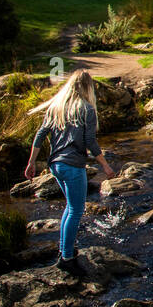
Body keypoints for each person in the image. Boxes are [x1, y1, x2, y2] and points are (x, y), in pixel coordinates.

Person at [23, 69, 114, 276]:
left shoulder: (56, 107)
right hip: (73, 166)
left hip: (55, 165)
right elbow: (90, 142)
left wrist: (31, 163)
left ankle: (66, 251)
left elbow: (40, 135)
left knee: (70, 208)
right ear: (87, 87)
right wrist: (105, 165)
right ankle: (67, 259)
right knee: (75, 210)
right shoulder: (87, 110)